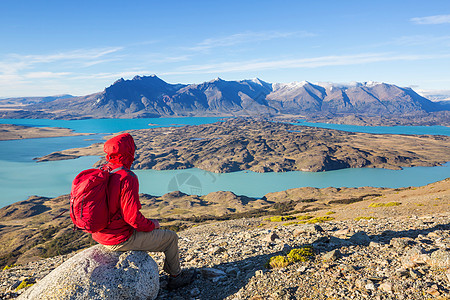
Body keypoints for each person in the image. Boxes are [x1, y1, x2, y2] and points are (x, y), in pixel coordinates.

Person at [91, 133, 194, 290]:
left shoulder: (104, 171)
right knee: (171, 238)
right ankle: (176, 277)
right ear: (129, 151)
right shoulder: (126, 177)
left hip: (100, 235)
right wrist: (152, 225)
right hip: (119, 238)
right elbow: (132, 218)